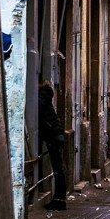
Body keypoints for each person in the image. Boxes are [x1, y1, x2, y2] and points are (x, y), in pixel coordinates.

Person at [38, 81, 67, 210]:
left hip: (53, 136)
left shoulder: (43, 95)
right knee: (58, 169)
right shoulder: (46, 94)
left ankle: (59, 200)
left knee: (58, 170)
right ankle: (59, 199)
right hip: (56, 135)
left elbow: (38, 105)